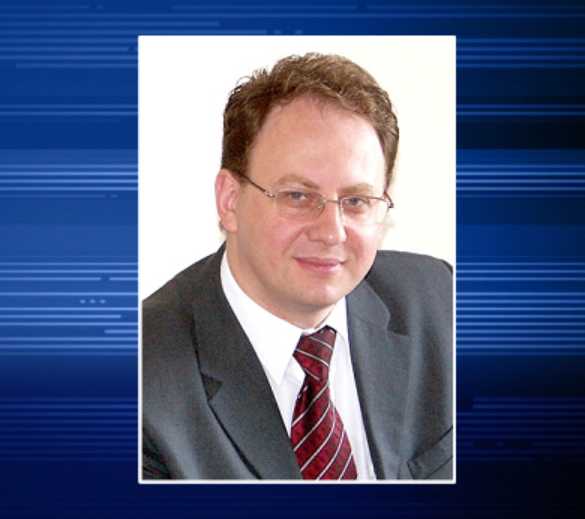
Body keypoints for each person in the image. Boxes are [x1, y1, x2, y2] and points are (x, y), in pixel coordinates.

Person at [142, 53, 452, 480]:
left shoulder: (443, 303)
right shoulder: (142, 385)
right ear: (230, 201)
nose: (332, 232)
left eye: (356, 201)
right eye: (298, 197)